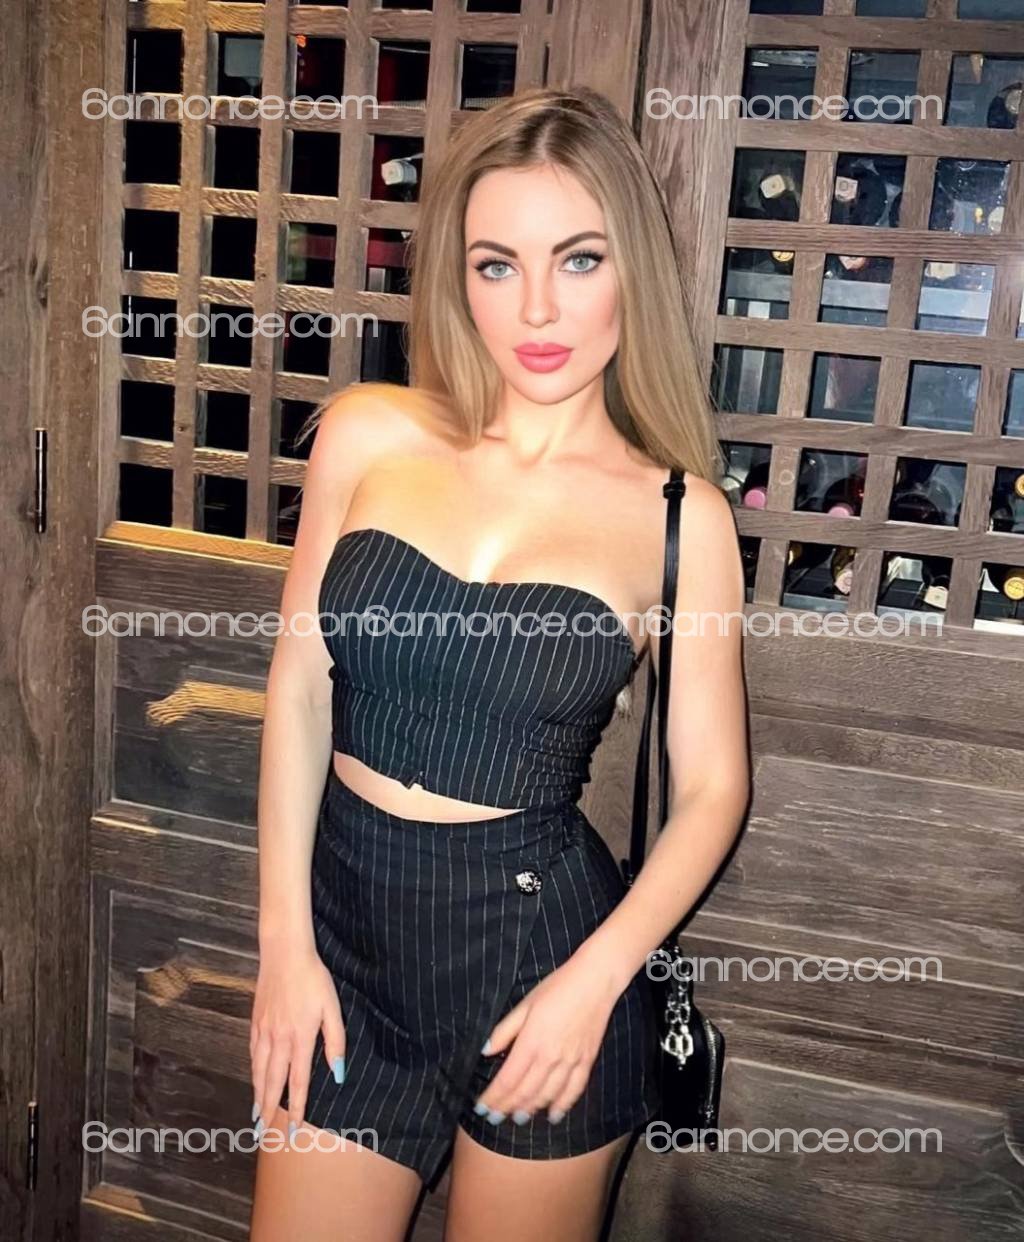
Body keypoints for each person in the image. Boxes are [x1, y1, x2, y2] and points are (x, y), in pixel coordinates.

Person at [248, 85, 749, 1242]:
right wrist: (283, 946)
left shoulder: (682, 518)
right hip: (342, 953)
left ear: (631, 270)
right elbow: (300, 686)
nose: (535, 309)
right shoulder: (369, 434)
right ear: (455, 276)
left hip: (542, 970)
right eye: (495, 264)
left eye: (578, 259)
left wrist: (595, 983)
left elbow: (714, 788)